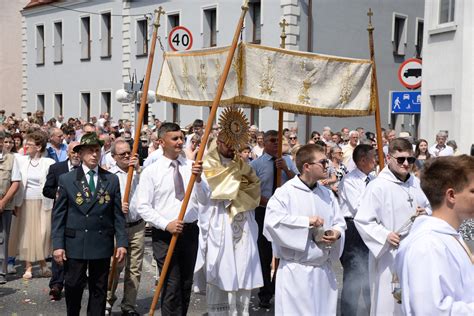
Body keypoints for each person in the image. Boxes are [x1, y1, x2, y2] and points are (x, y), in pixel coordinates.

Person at [263, 144, 346, 315]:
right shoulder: (284, 193)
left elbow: (339, 222)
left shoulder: (327, 193)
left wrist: (336, 233)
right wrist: (306, 222)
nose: (327, 165)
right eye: (322, 162)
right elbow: (272, 223)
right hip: (297, 272)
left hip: (323, 270)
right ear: (307, 166)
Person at [136, 123, 210, 315]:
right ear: (161, 142)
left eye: (181, 138)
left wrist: (200, 180)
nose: (180, 142)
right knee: (171, 283)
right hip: (165, 234)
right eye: (174, 138)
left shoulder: (191, 167)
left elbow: (205, 199)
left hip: (189, 231)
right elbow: (142, 205)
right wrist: (165, 224)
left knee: (186, 283)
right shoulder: (152, 171)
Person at [51, 132, 127, 316]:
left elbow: (117, 214)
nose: (94, 154)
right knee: (73, 285)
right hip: (75, 241)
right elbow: (59, 215)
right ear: (80, 153)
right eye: (90, 151)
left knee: (99, 288)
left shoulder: (111, 179)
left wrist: (122, 242)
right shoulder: (67, 180)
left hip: (101, 242)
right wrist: (58, 245)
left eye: (97, 150)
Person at [354, 138, 431, 316]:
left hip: (415, 252)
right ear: (389, 158)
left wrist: (426, 212)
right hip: (390, 253)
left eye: (410, 160)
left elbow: (430, 206)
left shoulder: (416, 184)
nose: (406, 164)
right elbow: (364, 220)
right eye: (401, 159)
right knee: (388, 304)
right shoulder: (377, 187)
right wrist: (385, 235)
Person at [395, 155, 474, 315]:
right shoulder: (428, 244)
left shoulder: (448, 236)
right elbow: (430, 310)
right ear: (451, 195)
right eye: (473, 191)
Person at [195, 133, 263, 315]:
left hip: (242, 222)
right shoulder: (206, 165)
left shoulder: (241, 164)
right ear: (219, 142)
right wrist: (198, 180)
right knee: (222, 270)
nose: (232, 148)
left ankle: (240, 312)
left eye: (236, 144)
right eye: (228, 144)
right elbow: (202, 198)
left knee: (243, 268)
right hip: (220, 221)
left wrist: (234, 191)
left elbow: (254, 186)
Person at [250, 130, 299, 309]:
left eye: (279, 140)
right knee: (264, 254)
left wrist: (285, 170)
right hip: (263, 212)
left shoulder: (287, 161)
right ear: (264, 143)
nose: (276, 143)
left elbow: (298, 182)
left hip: (285, 214)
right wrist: (270, 203)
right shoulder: (256, 164)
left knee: (283, 252)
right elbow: (253, 192)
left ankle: (280, 287)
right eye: (272, 140)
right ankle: (265, 292)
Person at [8, 131, 55, 279]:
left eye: (30, 144)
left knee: (42, 234)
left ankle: (42, 264)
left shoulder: (48, 162)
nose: (26, 146)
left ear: (39, 146)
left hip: (43, 202)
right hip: (25, 202)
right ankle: (29, 267)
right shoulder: (20, 160)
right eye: (26, 143)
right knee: (27, 235)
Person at [106, 139, 145, 316]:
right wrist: (115, 206)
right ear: (114, 157)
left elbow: (150, 192)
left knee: (134, 268)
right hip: (118, 227)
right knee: (115, 265)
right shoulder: (108, 175)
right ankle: (107, 299)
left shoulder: (140, 173)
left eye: (129, 153)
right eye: (122, 154)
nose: (127, 156)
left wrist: (138, 170)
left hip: (137, 225)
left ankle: (129, 304)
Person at [338, 144, 376, 315]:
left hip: (372, 228)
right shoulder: (350, 181)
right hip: (354, 228)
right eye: (373, 157)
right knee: (354, 275)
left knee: (370, 275)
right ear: (362, 160)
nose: (376, 161)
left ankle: (371, 310)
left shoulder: (374, 179)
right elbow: (359, 208)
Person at [42, 141, 81, 300]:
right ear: (68, 153)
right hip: (61, 214)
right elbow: (46, 189)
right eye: (73, 152)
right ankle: (56, 284)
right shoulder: (56, 168)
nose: (76, 155)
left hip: (79, 216)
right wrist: (57, 193)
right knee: (58, 247)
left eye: (79, 152)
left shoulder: (86, 170)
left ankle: (76, 279)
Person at [0, 131, 21, 284]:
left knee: (2, 238)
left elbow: (15, 183)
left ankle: (1, 272)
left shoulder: (12, 159)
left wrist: (3, 202)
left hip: (4, 205)